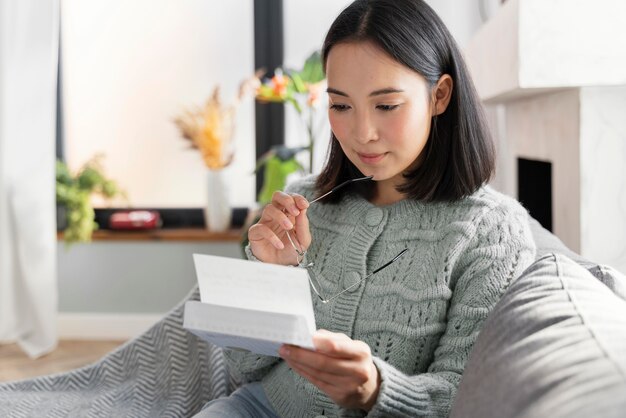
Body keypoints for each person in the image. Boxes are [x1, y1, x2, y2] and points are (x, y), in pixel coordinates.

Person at [195, 0, 536, 416]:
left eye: (387, 105)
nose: (362, 134)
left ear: (440, 96)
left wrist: (376, 391)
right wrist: (271, 276)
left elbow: (465, 394)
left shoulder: (492, 231)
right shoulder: (304, 203)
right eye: (340, 105)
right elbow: (244, 367)